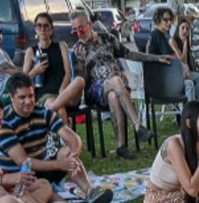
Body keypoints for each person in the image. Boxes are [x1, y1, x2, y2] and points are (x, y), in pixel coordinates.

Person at [0, 73, 113, 203]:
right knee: (46, 188)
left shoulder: (43, 113)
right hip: (19, 175)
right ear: (11, 98)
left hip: (41, 169)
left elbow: (72, 137)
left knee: (67, 151)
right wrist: (60, 165)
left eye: (31, 96)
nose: (28, 101)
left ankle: (90, 192)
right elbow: (24, 161)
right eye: (22, 97)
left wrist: (74, 153)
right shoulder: (4, 122)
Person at [70, 10, 164, 159]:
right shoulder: (77, 50)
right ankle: (138, 126)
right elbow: (80, 79)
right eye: (74, 30)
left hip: (116, 87)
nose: (78, 33)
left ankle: (121, 146)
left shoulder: (107, 38)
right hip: (96, 89)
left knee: (114, 95)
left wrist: (155, 58)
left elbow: (130, 54)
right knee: (116, 80)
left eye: (80, 28)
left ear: (89, 24)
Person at [23, 13, 84, 125]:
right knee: (60, 109)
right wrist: (36, 71)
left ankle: (52, 110)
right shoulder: (31, 51)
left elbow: (68, 73)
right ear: (36, 29)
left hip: (64, 92)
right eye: (39, 26)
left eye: (46, 26)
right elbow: (22, 80)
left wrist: (62, 91)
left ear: (51, 29)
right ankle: (68, 142)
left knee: (80, 80)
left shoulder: (61, 46)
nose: (43, 29)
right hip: (46, 95)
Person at [170, 17, 199, 102]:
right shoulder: (173, 41)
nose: (185, 31)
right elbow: (183, 60)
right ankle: (198, 104)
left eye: (187, 29)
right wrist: (185, 43)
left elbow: (189, 60)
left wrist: (198, 64)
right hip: (178, 73)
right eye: (182, 28)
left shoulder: (187, 41)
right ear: (178, 29)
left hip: (189, 70)